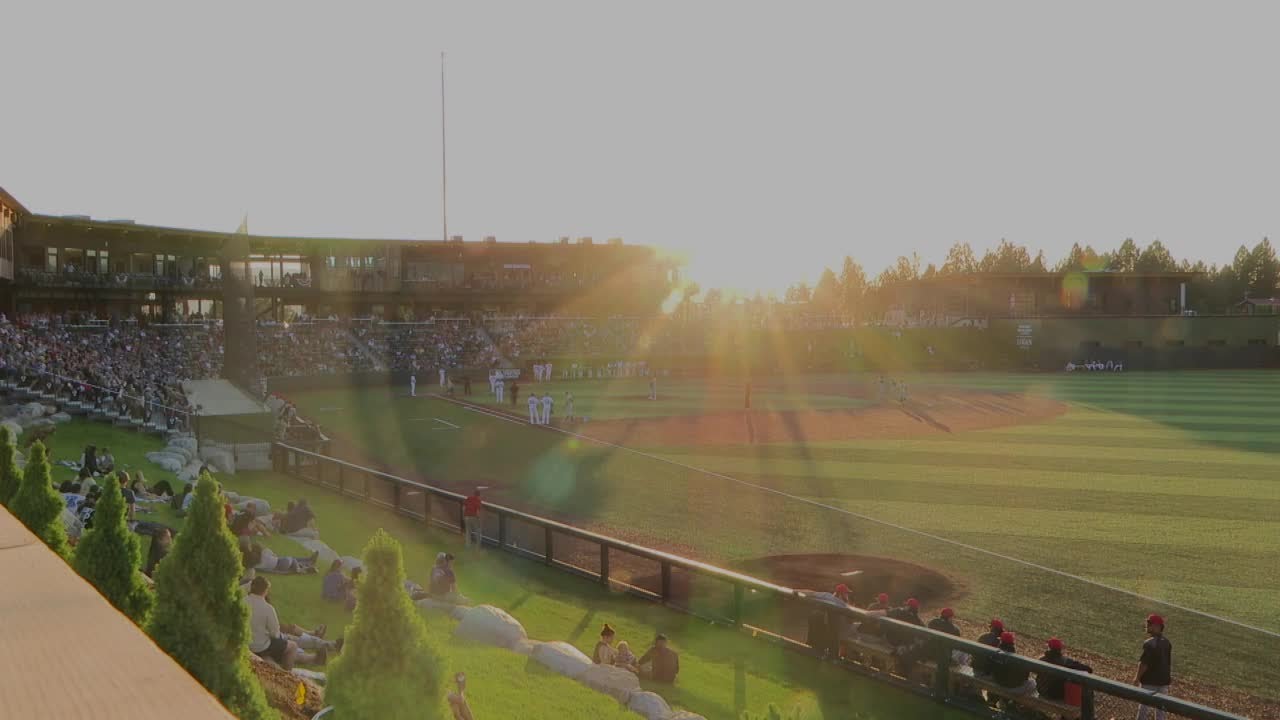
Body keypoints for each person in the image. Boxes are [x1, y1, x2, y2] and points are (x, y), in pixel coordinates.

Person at [247, 577, 325, 670]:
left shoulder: (243, 600)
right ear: (265, 591)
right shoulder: (268, 608)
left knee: (275, 653)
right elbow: (275, 634)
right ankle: (288, 673)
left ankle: (315, 657)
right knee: (292, 646)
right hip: (260, 646)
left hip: (247, 643)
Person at [1135, 614, 1173, 720]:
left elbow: (1144, 664)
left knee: (1143, 708)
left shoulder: (1149, 643)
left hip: (1149, 682)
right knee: (1161, 711)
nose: (1147, 625)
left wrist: (1137, 678)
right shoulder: (1167, 643)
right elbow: (1168, 663)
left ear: (1157, 626)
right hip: (1164, 683)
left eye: (1149, 623)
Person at [1037, 637, 1093, 702]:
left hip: (1041, 690)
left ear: (1049, 648)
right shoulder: (1065, 661)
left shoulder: (1041, 659)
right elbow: (1088, 669)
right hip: (1054, 695)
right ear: (1060, 649)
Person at [990, 631, 1036, 696]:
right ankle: (1019, 704)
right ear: (1012, 643)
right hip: (1013, 688)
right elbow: (1025, 677)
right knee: (1033, 683)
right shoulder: (1018, 659)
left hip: (997, 683)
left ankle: (993, 698)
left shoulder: (995, 654)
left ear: (1001, 642)